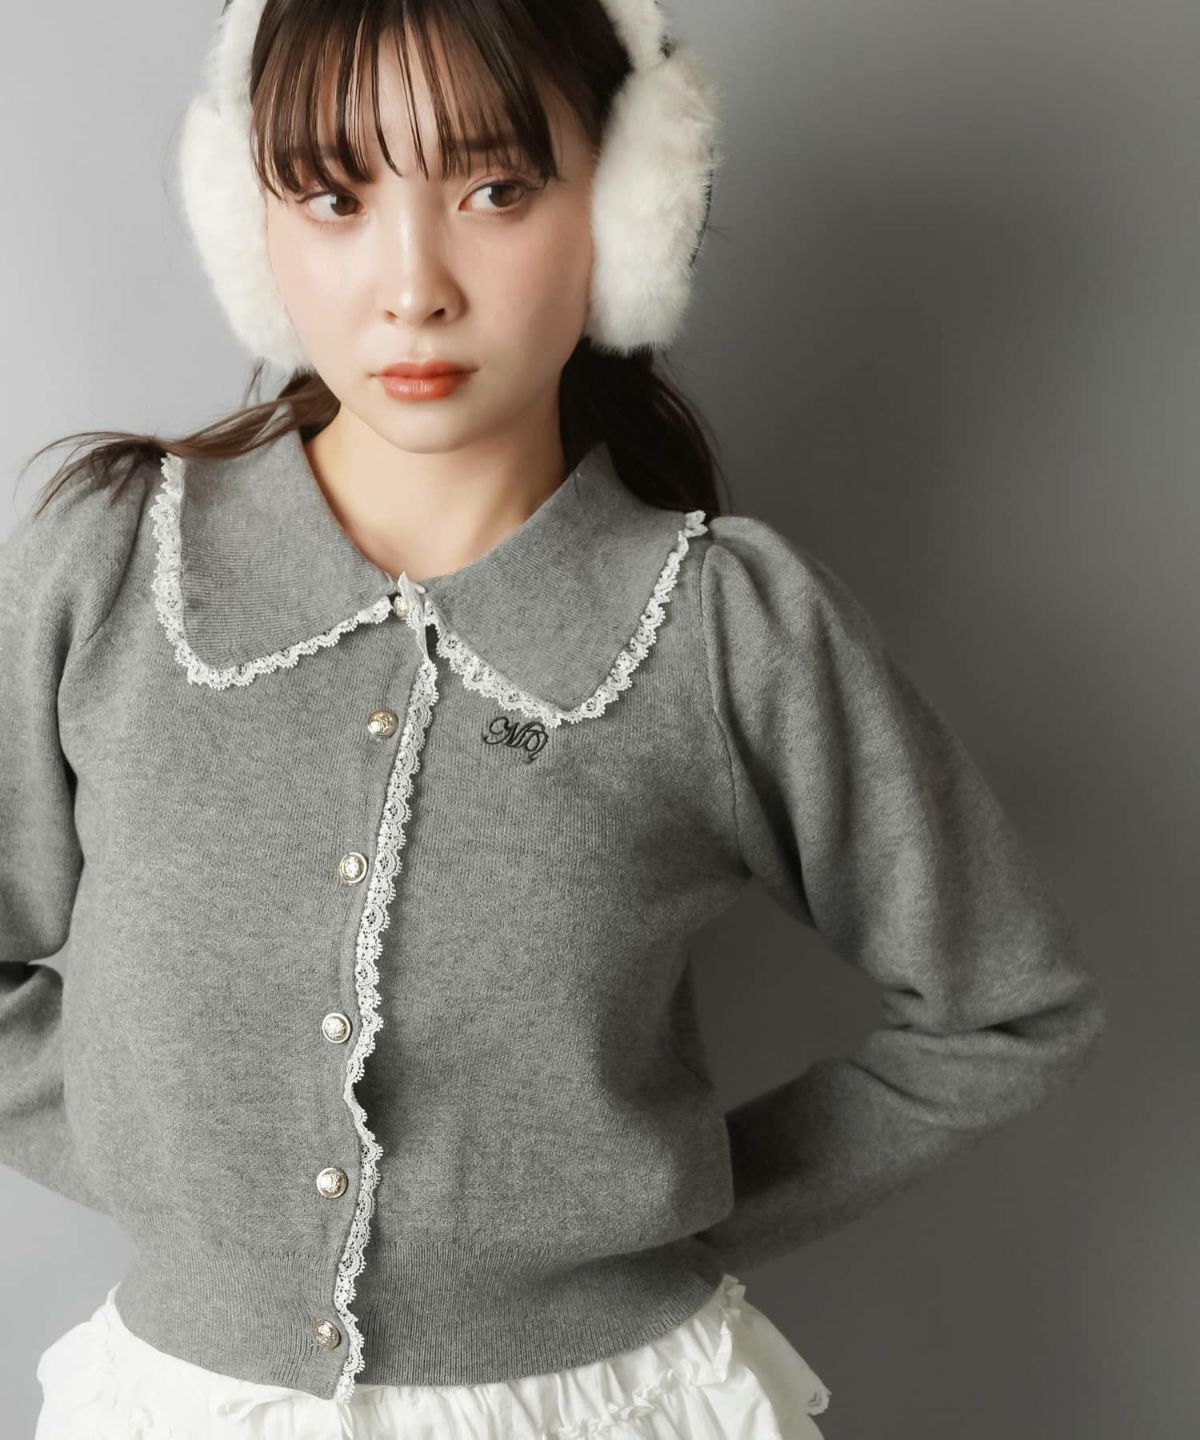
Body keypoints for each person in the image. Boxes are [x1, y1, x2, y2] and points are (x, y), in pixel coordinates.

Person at [4, 1, 1104, 1436]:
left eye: (496, 189)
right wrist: (182, 1172)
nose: (413, 287)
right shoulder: (110, 569)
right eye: (334, 197)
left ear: (631, 206)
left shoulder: (726, 629)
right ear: (248, 220)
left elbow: (1003, 1009)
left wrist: (657, 1211)